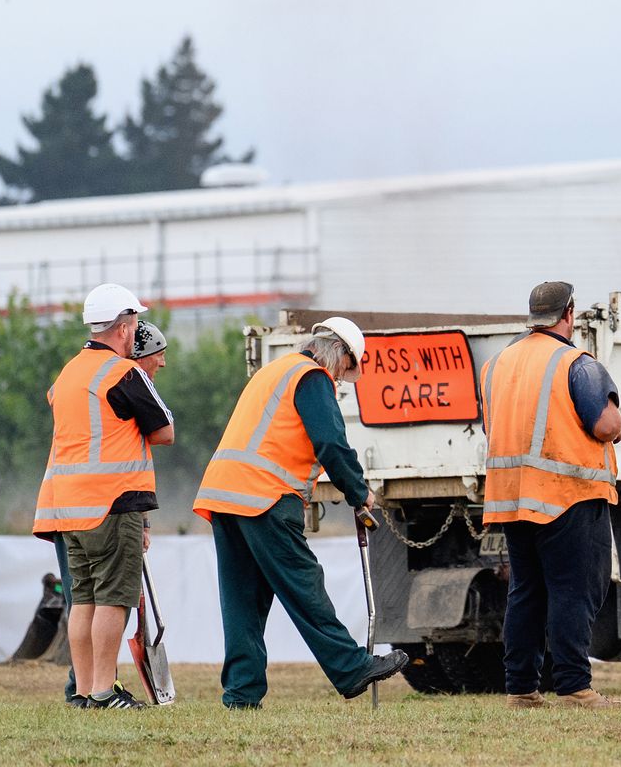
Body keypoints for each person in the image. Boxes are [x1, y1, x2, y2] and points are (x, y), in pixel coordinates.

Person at [192, 316, 408, 708]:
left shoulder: (274, 372)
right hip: (265, 496)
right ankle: (351, 668)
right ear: (337, 353)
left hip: (224, 494)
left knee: (243, 598)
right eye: (345, 370)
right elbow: (331, 442)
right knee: (304, 584)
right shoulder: (311, 377)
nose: (341, 380)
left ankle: (241, 693)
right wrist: (359, 493)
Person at [482, 281, 621, 709]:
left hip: (511, 497)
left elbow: (493, 427)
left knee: (526, 591)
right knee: (572, 590)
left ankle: (521, 689)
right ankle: (574, 687)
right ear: (569, 314)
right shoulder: (576, 363)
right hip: (568, 494)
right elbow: (606, 425)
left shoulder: (497, 365)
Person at [32, 283, 175, 710]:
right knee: (114, 598)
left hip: (66, 507)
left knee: (84, 600)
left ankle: (83, 692)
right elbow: (164, 429)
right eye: (133, 326)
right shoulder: (120, 372)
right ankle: (103, 691)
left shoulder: (69, 372)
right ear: (125, 328)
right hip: (110, 504)